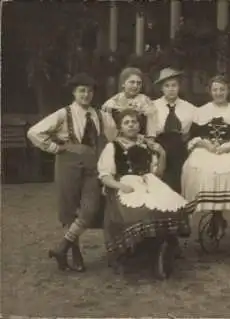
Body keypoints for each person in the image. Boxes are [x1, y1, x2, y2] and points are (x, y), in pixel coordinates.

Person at [27, 73, 113, 272]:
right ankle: (75, 252)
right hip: (68, 163)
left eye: (90, 91)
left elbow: (112, 139)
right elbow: (34, 132)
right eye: (82, 91)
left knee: (90, 209)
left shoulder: (101, 116)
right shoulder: (63, 114)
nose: (86, 95)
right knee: (68, 209)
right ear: (74, 93)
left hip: (93, 166)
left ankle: (61, 247)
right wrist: (55, 149)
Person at [98, 109, 197, 275]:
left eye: (134, 122)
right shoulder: (112, 146)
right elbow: (105, 176)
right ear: (120, 127)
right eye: (127, 123)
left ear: (139, 125)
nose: (131, 126)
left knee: (167, 204)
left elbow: (158, 173)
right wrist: (120, 186)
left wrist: (162, 153)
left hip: (149, 181)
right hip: (125, 183)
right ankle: (143, 249)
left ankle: (161, 248)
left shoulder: (146, 145)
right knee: (142, 210)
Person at [181, 75, 230, 235]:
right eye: (215, 90)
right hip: (206, 148)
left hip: (229, 149)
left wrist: (229, 146)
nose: (219, 93)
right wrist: (205, 144)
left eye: (222, 89)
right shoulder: (202, 111)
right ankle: (213, 214)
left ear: (228, 90)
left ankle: (222, 215)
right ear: (210, 91)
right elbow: (193, 136)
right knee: (196, 167)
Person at [153, 67, 196, 193]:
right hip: (159, 147)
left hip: (180, 148)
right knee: (160, 183)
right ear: (161, 88)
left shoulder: (190, 108)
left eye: (174, 85)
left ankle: (178, 210)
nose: (171, 89)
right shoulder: (153, 107)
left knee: (178, 182)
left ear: (179, 87)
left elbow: (193, 132)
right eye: (167, 86)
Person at [102, 67, 157, 140]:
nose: (135, 86)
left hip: (142, 141)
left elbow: (151, 130)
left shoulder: (146, 101)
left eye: (139, 83)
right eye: (132, 82)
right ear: (123, 84)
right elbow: (108, 129)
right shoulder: (111, 104)